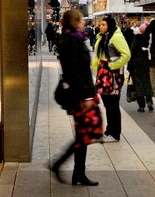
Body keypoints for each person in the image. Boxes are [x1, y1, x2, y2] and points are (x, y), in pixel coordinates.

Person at [51, 10, 102, 186]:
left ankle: (78, 173)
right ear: (74, 22)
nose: (83, 23)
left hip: (82, 94)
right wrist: (86, 96)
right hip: (79, 96)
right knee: (83, 135)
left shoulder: (75, 39)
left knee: (83, 134)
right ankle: (65, 167)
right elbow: (76, 73)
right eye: (80, 20)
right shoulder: (71, 42)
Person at [92, 16, 131, 142]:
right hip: (103, 74)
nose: (101, 27)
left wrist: (112, 66)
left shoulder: (116, 37)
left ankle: (115, 133)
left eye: (104, 24)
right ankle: (109, 131)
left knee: (113, 105)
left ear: (110, 25)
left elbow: (127, 54)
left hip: (113, 75)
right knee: (108, 104)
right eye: (100, 24)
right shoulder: (102, 37)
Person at [128, 22, 154, 112]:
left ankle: (141, 106)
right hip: (149, 65)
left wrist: (129, 66)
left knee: (138, 84)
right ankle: (150, 101)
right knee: (148, 83)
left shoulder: (137, 38)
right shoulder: (151, 39)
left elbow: (132, 52)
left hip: (137, 65)